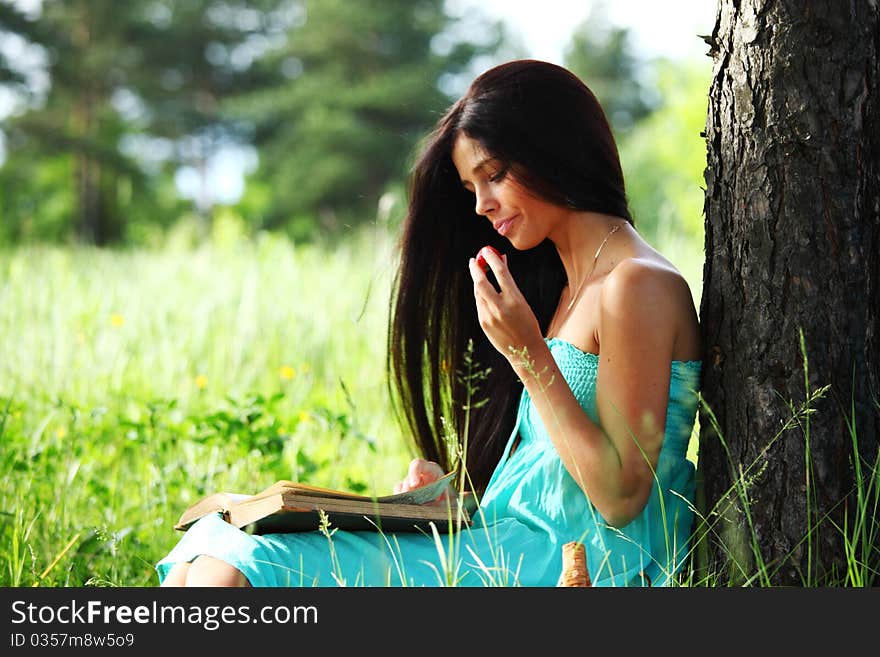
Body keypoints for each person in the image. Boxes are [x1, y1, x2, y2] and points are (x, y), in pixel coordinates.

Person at [156, 59, 702, 587]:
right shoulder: (566, 287)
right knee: (209, 549)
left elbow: (622, 497)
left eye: (494, 176)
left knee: (244, 565)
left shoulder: (636, 284)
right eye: (471, 190)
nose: (483, 205)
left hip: (584, 563)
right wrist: (440, 506)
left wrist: (528, 355)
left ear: (556, 152)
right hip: (504, 541)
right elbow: (552, 473)